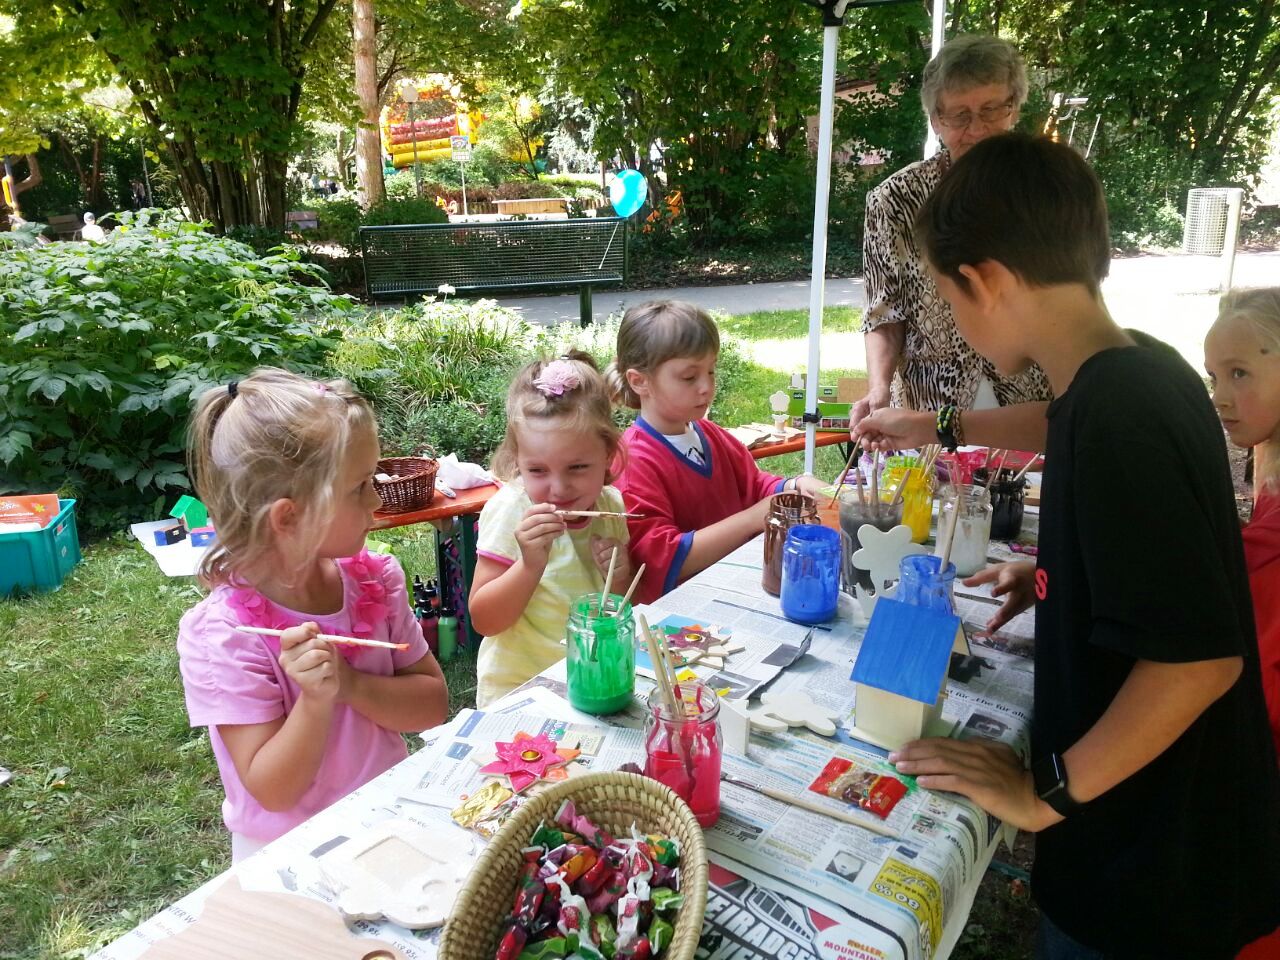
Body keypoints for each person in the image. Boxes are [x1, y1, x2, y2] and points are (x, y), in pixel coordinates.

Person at [887, 133, 1280, 958]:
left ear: (986, 280)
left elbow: (1199, 662)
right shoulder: (1137, 367)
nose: (954, 321)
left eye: (948, 299)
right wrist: (1061, 571)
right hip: (1162, 833)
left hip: (1148, 866)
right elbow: (1060, 426)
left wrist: (1041, 798)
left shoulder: (1119, 415)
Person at [177, 368, 448, 862]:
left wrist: (350, 685)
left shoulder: (375, 580)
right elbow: (273, 791)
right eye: (360, 486)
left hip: (386, 820)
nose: (378, 498)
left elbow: (432, 706)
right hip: (290, 855)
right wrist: (316, 701)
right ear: (289, 517)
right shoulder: (225, 635)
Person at [853, 34, 1053, 455]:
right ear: (936, 120)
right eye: (959, 115)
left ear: (1014, 107)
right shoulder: (894, 201)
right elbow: (883, 312)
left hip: (1029, 405)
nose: (977, 130)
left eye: (990, 110)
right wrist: (878, 389)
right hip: (929, 412)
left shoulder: (1049, 191)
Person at [608, 301, 826, 604]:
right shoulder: (634, 461)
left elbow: (753, 485)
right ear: (639, 381)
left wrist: (795, 486)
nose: (706, 387)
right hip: (686, 612)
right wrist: (753, 518)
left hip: (735, 588)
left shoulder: (709, 433)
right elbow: (665, 558)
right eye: (689, 377)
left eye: (711, 371)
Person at [469, 351, 634, 707]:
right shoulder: (512, 510)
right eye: (538, 471)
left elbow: (614, 603)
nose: (559, 489)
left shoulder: (610, 507)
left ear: (607, 455)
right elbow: (484, 619)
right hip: (521, 690)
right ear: (518, 462)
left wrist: (619, 576)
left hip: (591, 681)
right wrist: (529, 565)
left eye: (577, 467)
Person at [1205, 287, 1280, 761]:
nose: (1219, 398)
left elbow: (1229, 569)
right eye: (1214, 376)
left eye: (1239, 374)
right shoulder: (1268, 459)